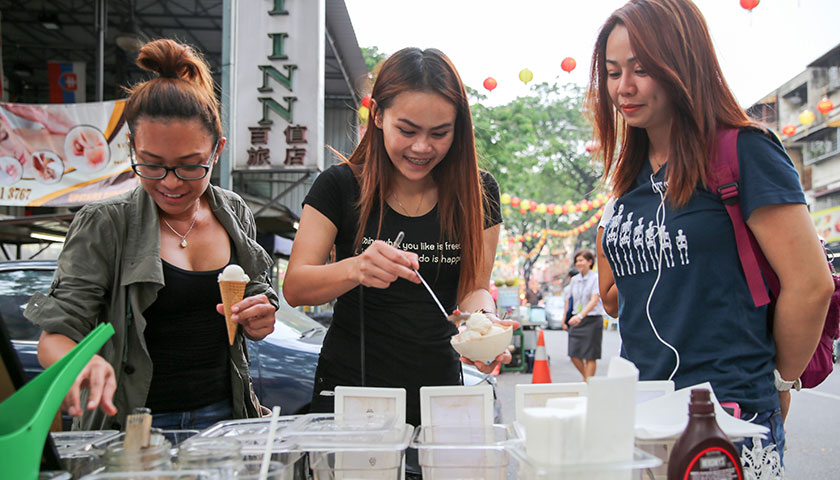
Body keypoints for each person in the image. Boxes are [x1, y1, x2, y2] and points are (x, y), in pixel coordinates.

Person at [587, 1, 834, 480]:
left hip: (728, 416)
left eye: (642, 68)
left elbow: (810, 283)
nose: (624, 87)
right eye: (613, 71)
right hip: (645, 413)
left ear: (682, 63)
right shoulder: (628, 180)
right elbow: (623, 297)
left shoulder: (742, 150)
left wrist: (779, 382)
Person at [24, 38, 279, 431]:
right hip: (130, 428)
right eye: (152, 164)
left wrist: (260, 316)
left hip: (224, 421)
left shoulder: (235, 213)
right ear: (132, 148)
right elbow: (55, 335)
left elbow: (258, 292)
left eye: (191, 166)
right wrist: (81, 362)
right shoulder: (105, 223)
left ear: (217, 151)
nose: (171, 182)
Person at [282, 47, 516, 428]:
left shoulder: (478, 192)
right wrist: (356, 268)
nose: (422, 147)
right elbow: (295, 286)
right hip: (352, 392)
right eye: (407, 130)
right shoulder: (339, 186)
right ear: (377, 115)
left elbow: (473, 289)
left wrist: (485, 328)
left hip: (438, 392)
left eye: (439, 133)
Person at [560, 249, 604, 381]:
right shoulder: (574, 280)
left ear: (590, 262)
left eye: (581, 260)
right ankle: (588, 381)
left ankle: (587, 384)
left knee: (590, 356)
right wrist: (564, 319)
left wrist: (580, 316)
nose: (578, 263)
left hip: (592, 320)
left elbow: (594, 300)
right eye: (577, 261)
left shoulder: (596, 278)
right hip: (575, 320)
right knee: (573, 354)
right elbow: (570, 301)